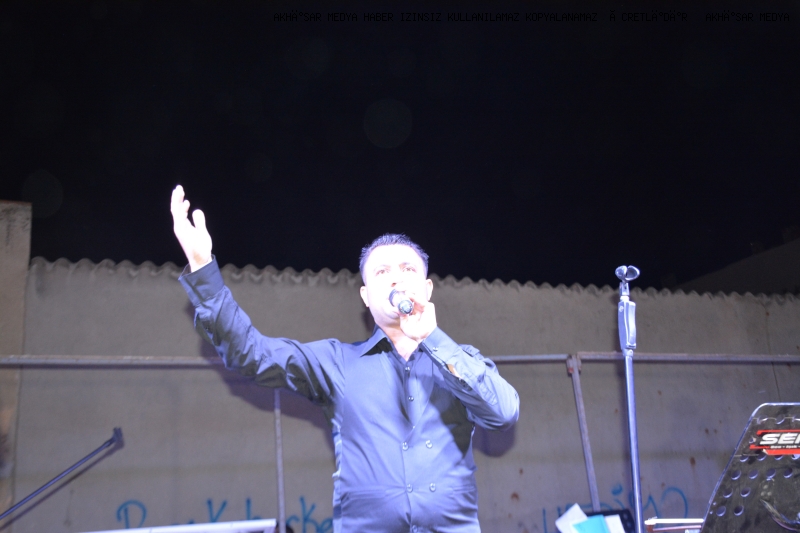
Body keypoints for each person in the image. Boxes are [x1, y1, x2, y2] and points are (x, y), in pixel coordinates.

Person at [170, 185, 519, 533]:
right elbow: (252, 354)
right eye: (382, 272)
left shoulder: (460, 361)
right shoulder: (336, 362)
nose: (396, 278)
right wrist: (202, 269)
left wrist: (433, 338)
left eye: (408, 269)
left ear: (427, 289)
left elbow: (503, 413)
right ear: (366, 297)